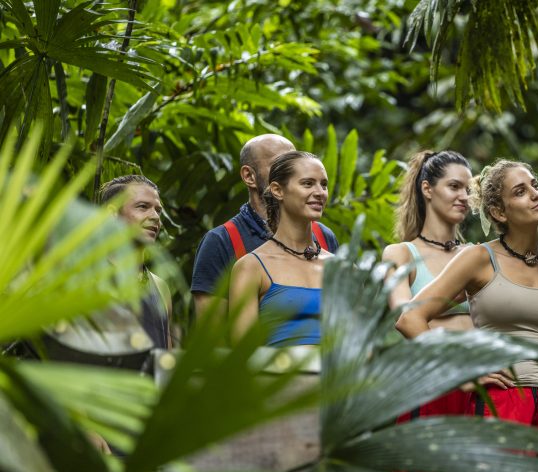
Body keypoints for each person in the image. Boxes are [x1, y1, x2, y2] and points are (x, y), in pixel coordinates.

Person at [396, 159, 538, 472]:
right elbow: (410, 317)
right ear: (499, 212)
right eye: (521, 191)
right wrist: (462, 371)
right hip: (504, 400)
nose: (536, 194)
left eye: (535, 184)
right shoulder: (478, 258)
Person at [382, 150, 478, 472]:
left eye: (469, 189)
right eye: (454, 186)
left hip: (482, 385)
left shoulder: (477, 255)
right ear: (427, 189)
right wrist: (456, 371)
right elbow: (404, 317)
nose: (464, 197)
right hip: (431, 384)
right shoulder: (400, 253)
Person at [191, 134, 338, 317]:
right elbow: (210, 336)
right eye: (280, 163)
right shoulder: (221, 241)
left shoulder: (324, 237)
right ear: (249, 176)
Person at [43, 175, 173, 369]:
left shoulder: (160, 287)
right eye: (142, 207)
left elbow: (165, 362)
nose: (155, 217)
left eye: (158, 210)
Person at [229, 151, 333, 346]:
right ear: (277, 190)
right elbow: (242, 352)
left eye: (324, 184)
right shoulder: (251, 267)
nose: (320, 192)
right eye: (308, 183)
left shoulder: (343, 268)